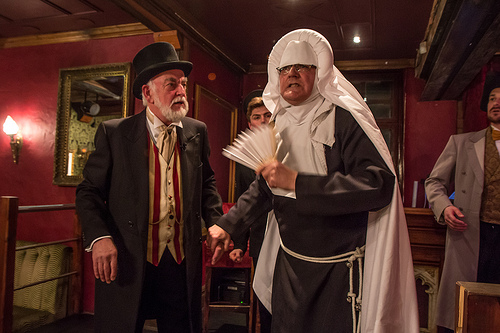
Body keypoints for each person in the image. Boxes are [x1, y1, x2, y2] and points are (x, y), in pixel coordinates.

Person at [207, 29, 418, 333]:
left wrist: (298, 183)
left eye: (302, 67)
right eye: (285, 69)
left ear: (320, 73)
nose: (292, 74)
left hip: (337, 273)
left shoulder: (344, 118)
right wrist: (230, 223)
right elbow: (267, 186)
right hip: (290, 266)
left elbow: (378, 185)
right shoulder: (278, 122)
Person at [75, 42, 223, 333]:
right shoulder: (115, 133)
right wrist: (100, 238)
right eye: (172, 84)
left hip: (180, 262)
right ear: (147, 92)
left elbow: (207, 183)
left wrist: (215, 221)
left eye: (182, 83)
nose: (182, 91)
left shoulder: (197, 131)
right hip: (130, 258)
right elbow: (88, 192)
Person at [425, 71, 500, 333]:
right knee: (463, 313)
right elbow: (434, 183)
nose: (496, 102)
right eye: (492, 98)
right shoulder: (461, 143)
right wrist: (445, 207)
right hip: (470, 234)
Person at [229, 91, 273, 332]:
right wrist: (238, 243)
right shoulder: (245, 158)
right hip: (259, 238)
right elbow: (243, 200)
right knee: (264, 301)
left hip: (289, 238)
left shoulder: (288, 145)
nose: (263, 120)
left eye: (268, 115)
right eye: (257, 116)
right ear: (250, 123)